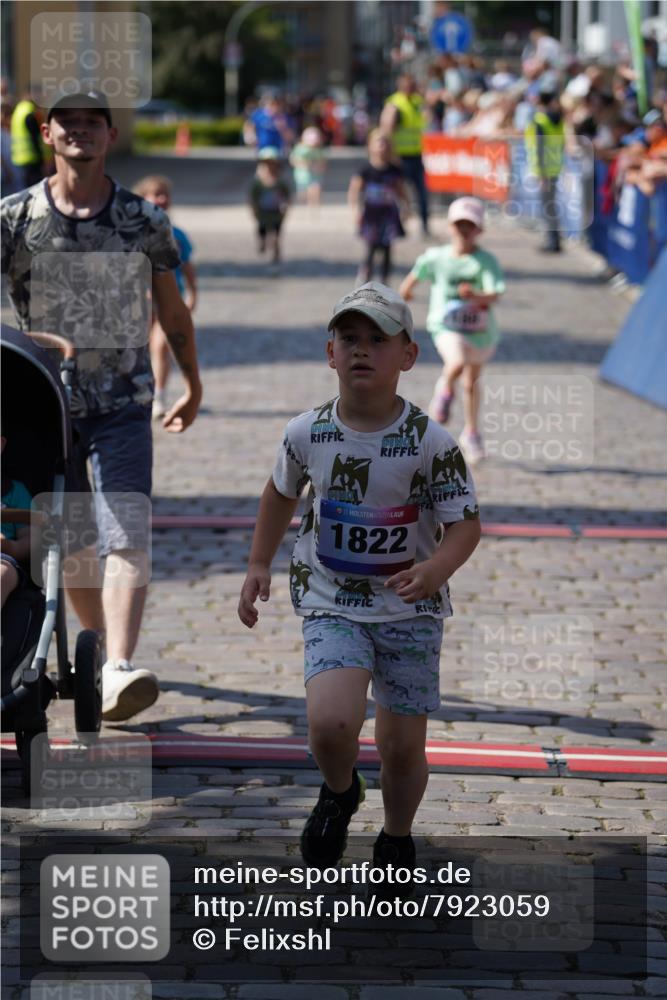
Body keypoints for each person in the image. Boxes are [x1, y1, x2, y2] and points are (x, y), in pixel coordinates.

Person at [238, 281, 481, 872]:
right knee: (330, 722)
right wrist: (256, 565)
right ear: (330, 353)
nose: (362, 350)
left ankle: (396, 836)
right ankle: (341, 790)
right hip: (331, 599)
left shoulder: (432, 442)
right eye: (350, 338)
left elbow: (466, 525)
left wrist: (435, 569)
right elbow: (278, 494)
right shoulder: (306, 433)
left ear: (408, 356)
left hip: (409, 611)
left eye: (378, 338)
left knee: (400, 749)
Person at [1, 89, 202, 721]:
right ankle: (93, 653)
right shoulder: (14, 217)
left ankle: (115, 665)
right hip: (40, 401)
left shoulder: (143, 219)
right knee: (70, 542)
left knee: (124, 527)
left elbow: (171, 311)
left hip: (123, 400)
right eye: (69, 123)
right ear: (47, 134)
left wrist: (193, 383)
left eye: (93, 123)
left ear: (111, 136)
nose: (81, 132)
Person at [399, 197, 505, 466]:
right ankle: (444, 392)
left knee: (471, 383)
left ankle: (471, 432)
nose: (464, 230)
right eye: (460, 224)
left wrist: (476, 294)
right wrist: (405, 294)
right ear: (450, 226)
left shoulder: (485, 261)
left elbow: (495, 295)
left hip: (479, 332)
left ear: (479, 229)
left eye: (470, 225)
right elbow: (415, 275)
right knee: (455, 363)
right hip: (446, 326)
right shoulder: (437, 257)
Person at [133, 175, 198, 420]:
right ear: (143, 199)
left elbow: (188, 266)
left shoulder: (177, 234)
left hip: (169, 300)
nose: (161, 198)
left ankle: (159, 396)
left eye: (164, 194)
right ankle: (141, 391)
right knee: (138, 348)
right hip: (138, 303)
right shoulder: (130, 234)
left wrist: (193, 292)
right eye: (155, 194)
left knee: (161, 345)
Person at [348, 130, 409, 285]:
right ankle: (365, 276)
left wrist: (407, 207)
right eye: (378, 142)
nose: (381, 146)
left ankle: (385, 280)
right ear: (370, 146)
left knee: (387, 247)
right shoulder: (365, 169)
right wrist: (355, 210)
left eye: (384, 142)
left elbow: (401, 190)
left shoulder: (394, 169)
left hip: (388, 213)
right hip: (371, 213)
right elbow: (355, 190)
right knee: (371, 246)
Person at [380, 74, 430, 235]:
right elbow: (387, 130)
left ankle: (424, 225)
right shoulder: (395, 104)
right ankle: (396, 225)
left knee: (421, 192)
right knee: (398, 193)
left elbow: (426, 119)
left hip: (416, 154)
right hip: (399, 156)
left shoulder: (417, 102)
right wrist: (390, 154)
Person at [525, 86, 566, 252]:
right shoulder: (558, 119)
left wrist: (541, 173)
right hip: (555, 167)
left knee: (547, 207)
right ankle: (554, 239)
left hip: (544, 170)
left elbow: (540, 147)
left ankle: (552, 241)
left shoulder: (540, 120)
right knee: (551, 205)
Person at [1, 431, 32, 609]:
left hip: (4, 558)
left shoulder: (14, 491)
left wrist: (12, 547)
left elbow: (30, 537)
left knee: (2, 573)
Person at [249, 146, 291, 274]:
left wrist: (286, 208)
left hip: (276, 212)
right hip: (263, 213)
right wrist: (253, 210)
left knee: (277, 236)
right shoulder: (257, 182)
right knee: (262, 232)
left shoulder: (280, 181)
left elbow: (287, 196)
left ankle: (276, 255)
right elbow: (252, 198)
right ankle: (262, 244)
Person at [10, 87, 46, 189]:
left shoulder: (19, 109)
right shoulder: (30, 111)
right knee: (34, 191)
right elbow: (35, 137)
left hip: (18, 158)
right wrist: (42, 159)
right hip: (32, 158)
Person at [289, 126, 327, 207]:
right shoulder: (300, 149)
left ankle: (314, 207)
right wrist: (305, 164)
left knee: (315, 190)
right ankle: (305, 206)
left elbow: (323, 162)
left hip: (315, 175)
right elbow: (293, 160)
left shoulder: (319, 150)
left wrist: (319, 167)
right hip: (303, 176)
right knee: (303, 195)